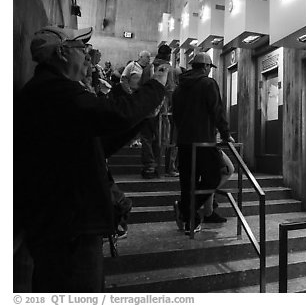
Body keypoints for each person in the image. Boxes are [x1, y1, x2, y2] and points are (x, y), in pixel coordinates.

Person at [13, 25, 168, 292]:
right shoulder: (54, 92)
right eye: (81, 48)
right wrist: (156, 86)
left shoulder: (54, 89)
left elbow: (99, 143)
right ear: (62, 53)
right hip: (67, 231)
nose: (88, 55)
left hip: (69, 226)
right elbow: (113, 114)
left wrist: (142, 116)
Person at [172, 52, 234, 235]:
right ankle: (186, 210)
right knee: (215, 176)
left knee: (187, 183)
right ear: (206, 67)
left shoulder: (179, 88)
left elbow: (175, 116)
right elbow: (217, 110)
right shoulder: (208, 83)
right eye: (209, 68)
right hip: (204, 142)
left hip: (184, 143)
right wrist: (225, 134)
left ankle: (190, 219)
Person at [138, 44, 177, 178]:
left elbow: (141, 86)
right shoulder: (168, 69)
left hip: (146, 108)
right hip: (162, 108)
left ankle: (149, 166)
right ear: (168, 55)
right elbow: (171, 89)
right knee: (161, 138)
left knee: (147, 137)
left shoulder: (148, 67)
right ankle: (158, 166)